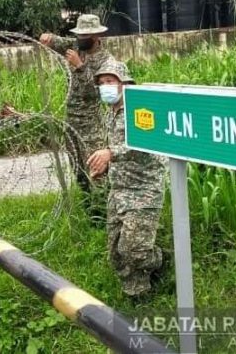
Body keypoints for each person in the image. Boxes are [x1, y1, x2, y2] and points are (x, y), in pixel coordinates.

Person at [87, 61, 166, 298]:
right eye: (101, 83)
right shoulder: (109, 112)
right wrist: (104, 165)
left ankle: (161, 261)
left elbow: (145, 145)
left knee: (134, 250)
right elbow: (114, 145)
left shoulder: (139, 108)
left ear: (125, 83)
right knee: (116, 253)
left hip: (144, 187)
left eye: (110, 81)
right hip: (119, 188)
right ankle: (138, 293)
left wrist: (111, 153)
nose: (105, 87)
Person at [39, 14, 115, 220]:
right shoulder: (76, 46)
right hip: (71, 122)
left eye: (86, 35)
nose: (80, 38)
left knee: (96, 172)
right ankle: (90, 211)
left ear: (97, 35)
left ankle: (103, 216)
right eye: (79, 34)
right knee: (78, 171)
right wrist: (48, 38)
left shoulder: (106, 61)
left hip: (92, 126)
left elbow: (97, 93)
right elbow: (57, 42)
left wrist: (80, 67)